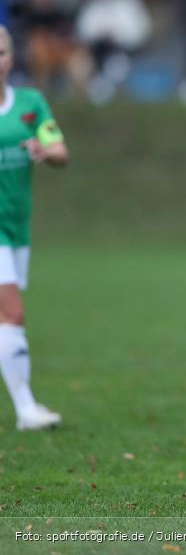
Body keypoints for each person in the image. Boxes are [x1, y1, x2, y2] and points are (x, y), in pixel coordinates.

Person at [0, 25, 69, 430]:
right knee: (12, 313)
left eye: (3, 51)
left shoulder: (30, 103)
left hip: (16, 228)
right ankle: (26, 409)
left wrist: (46, 151)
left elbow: (60, 150)